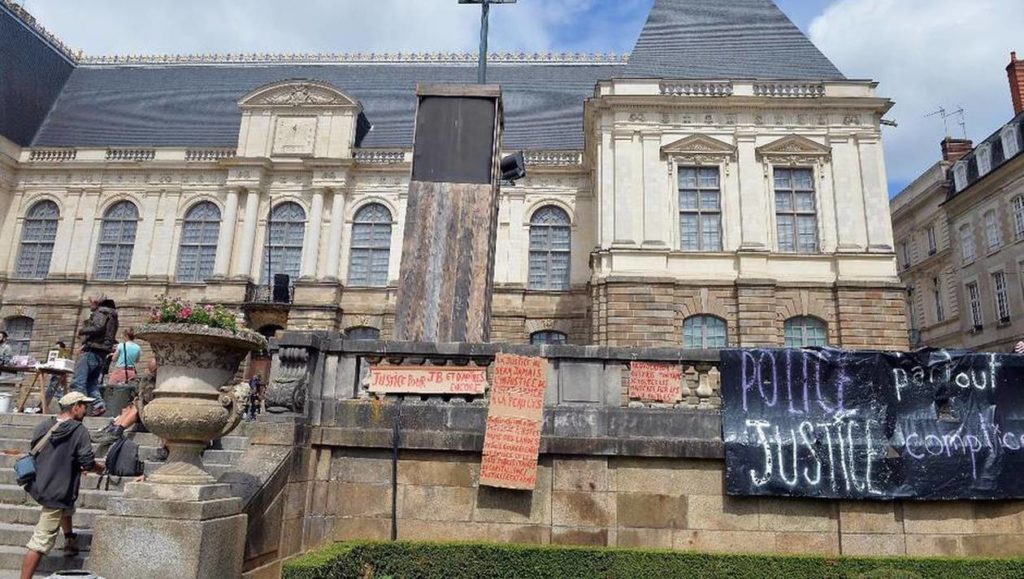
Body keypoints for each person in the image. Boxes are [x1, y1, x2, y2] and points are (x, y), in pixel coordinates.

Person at [20, 392, 104, 579]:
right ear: (75, 407)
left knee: (66, 508)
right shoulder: (78, 430)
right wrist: (98, 468)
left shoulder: (43, 426)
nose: (86, 409)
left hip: (41, 483)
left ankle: (70, 540)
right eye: (84, 405)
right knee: (40, 541)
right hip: (58, 490)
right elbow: (87, 461)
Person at [71, 295, 118, 416]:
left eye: (90, 302)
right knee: (91, 382)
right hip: (101, 352)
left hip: (93, 350)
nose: (89, 305)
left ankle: (78, 409)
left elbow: (98, 327)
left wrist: (82, 331)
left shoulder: (101, 312)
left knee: (79, 381)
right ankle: (98, 404)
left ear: (96, 302)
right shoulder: (112, 314)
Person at [44, 341, 72, 412]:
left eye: (58, 348)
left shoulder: (64, 354)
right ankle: (43, 406)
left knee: (57, 392)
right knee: (53, 391)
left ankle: (65, 408)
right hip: (55, 373)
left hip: (60, 374)